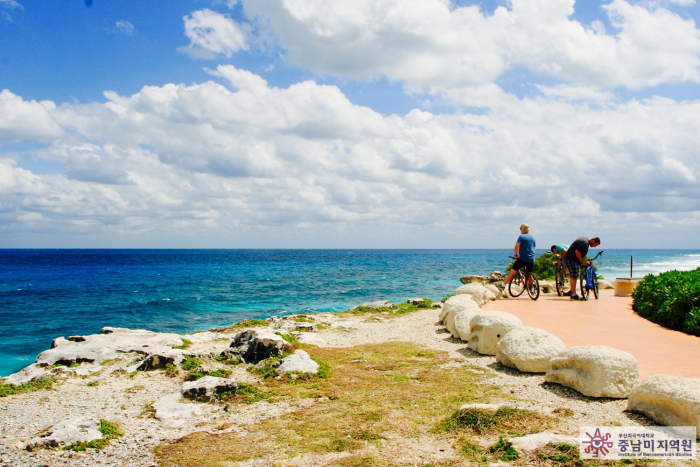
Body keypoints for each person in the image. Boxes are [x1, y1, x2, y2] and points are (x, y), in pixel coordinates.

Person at [500, 224, 536, 295]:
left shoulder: (521, 236)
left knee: (512, 271)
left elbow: (516, 247)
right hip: (531, 258)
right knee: (529, 274)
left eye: (520, 229)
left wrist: (516, 255)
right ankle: (532, 289)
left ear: (523, 229)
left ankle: (503, 285)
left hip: (523, 258)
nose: (520, 231)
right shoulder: (532, 237)